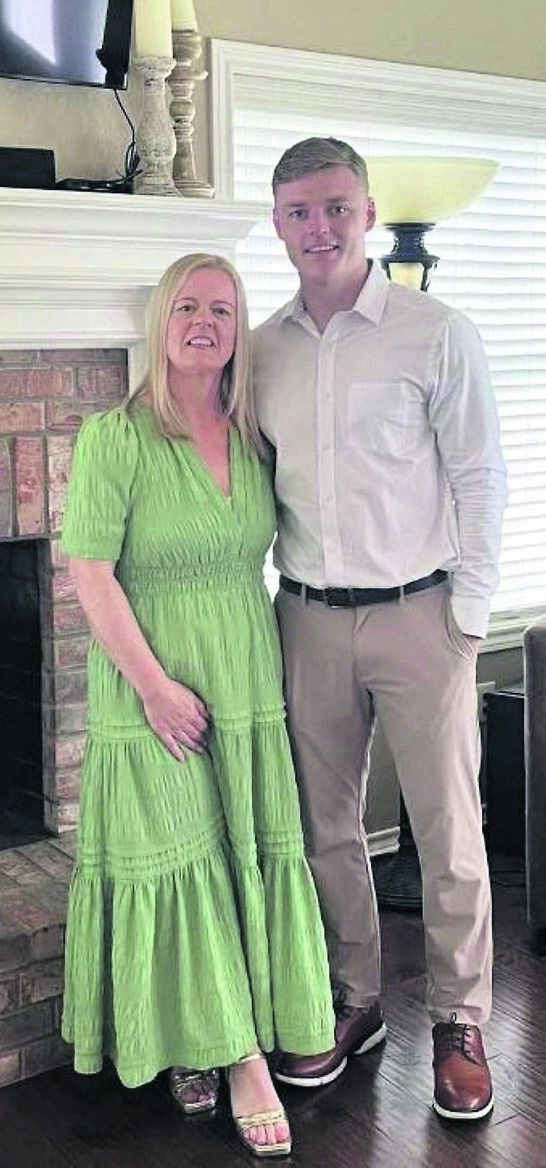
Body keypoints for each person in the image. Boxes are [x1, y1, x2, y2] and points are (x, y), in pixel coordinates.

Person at [252, 137, 508, 1120]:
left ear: (365, 211)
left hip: (420, 616)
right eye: (298, 212)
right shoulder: (261, 346)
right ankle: (354, 1000)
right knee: (327, 830)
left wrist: (468, 621)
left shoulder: (435, 331)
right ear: (277, 223)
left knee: (448, 832)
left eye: (336, 208)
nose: (319, 228)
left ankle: (460, 1019)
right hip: (306, 617)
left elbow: (481, 478)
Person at [61, 252, 336, 1159]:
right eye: (187, 305)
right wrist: (153, 688)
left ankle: (205, 1040)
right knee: (182, 866)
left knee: (232, 862)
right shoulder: (117, 437)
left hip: (244, 676)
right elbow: (90, 576)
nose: (204, 322)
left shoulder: (254, 434)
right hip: (152, 691)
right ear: (159, 322)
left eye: (222, 308)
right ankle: (243, 1060)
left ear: (237, 327)